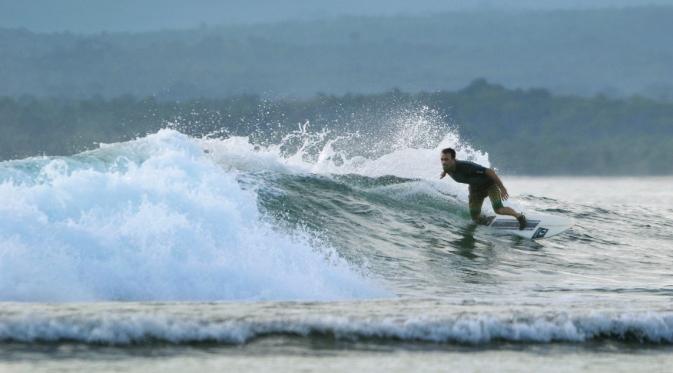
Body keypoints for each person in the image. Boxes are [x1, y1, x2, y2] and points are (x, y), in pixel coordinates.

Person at [440, 148, 527, 229]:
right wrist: (444, 173)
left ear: (454, 159)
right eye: (442, 159)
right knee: (475, 217)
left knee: (498, 209)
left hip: (489, 185)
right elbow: (446, 168)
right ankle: (485, 220)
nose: (443, 162)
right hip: (475, 190)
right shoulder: (447, 167)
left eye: (446, 159)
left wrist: (502, 188)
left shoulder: (466, 166)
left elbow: (489, 171)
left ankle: (519, 216)